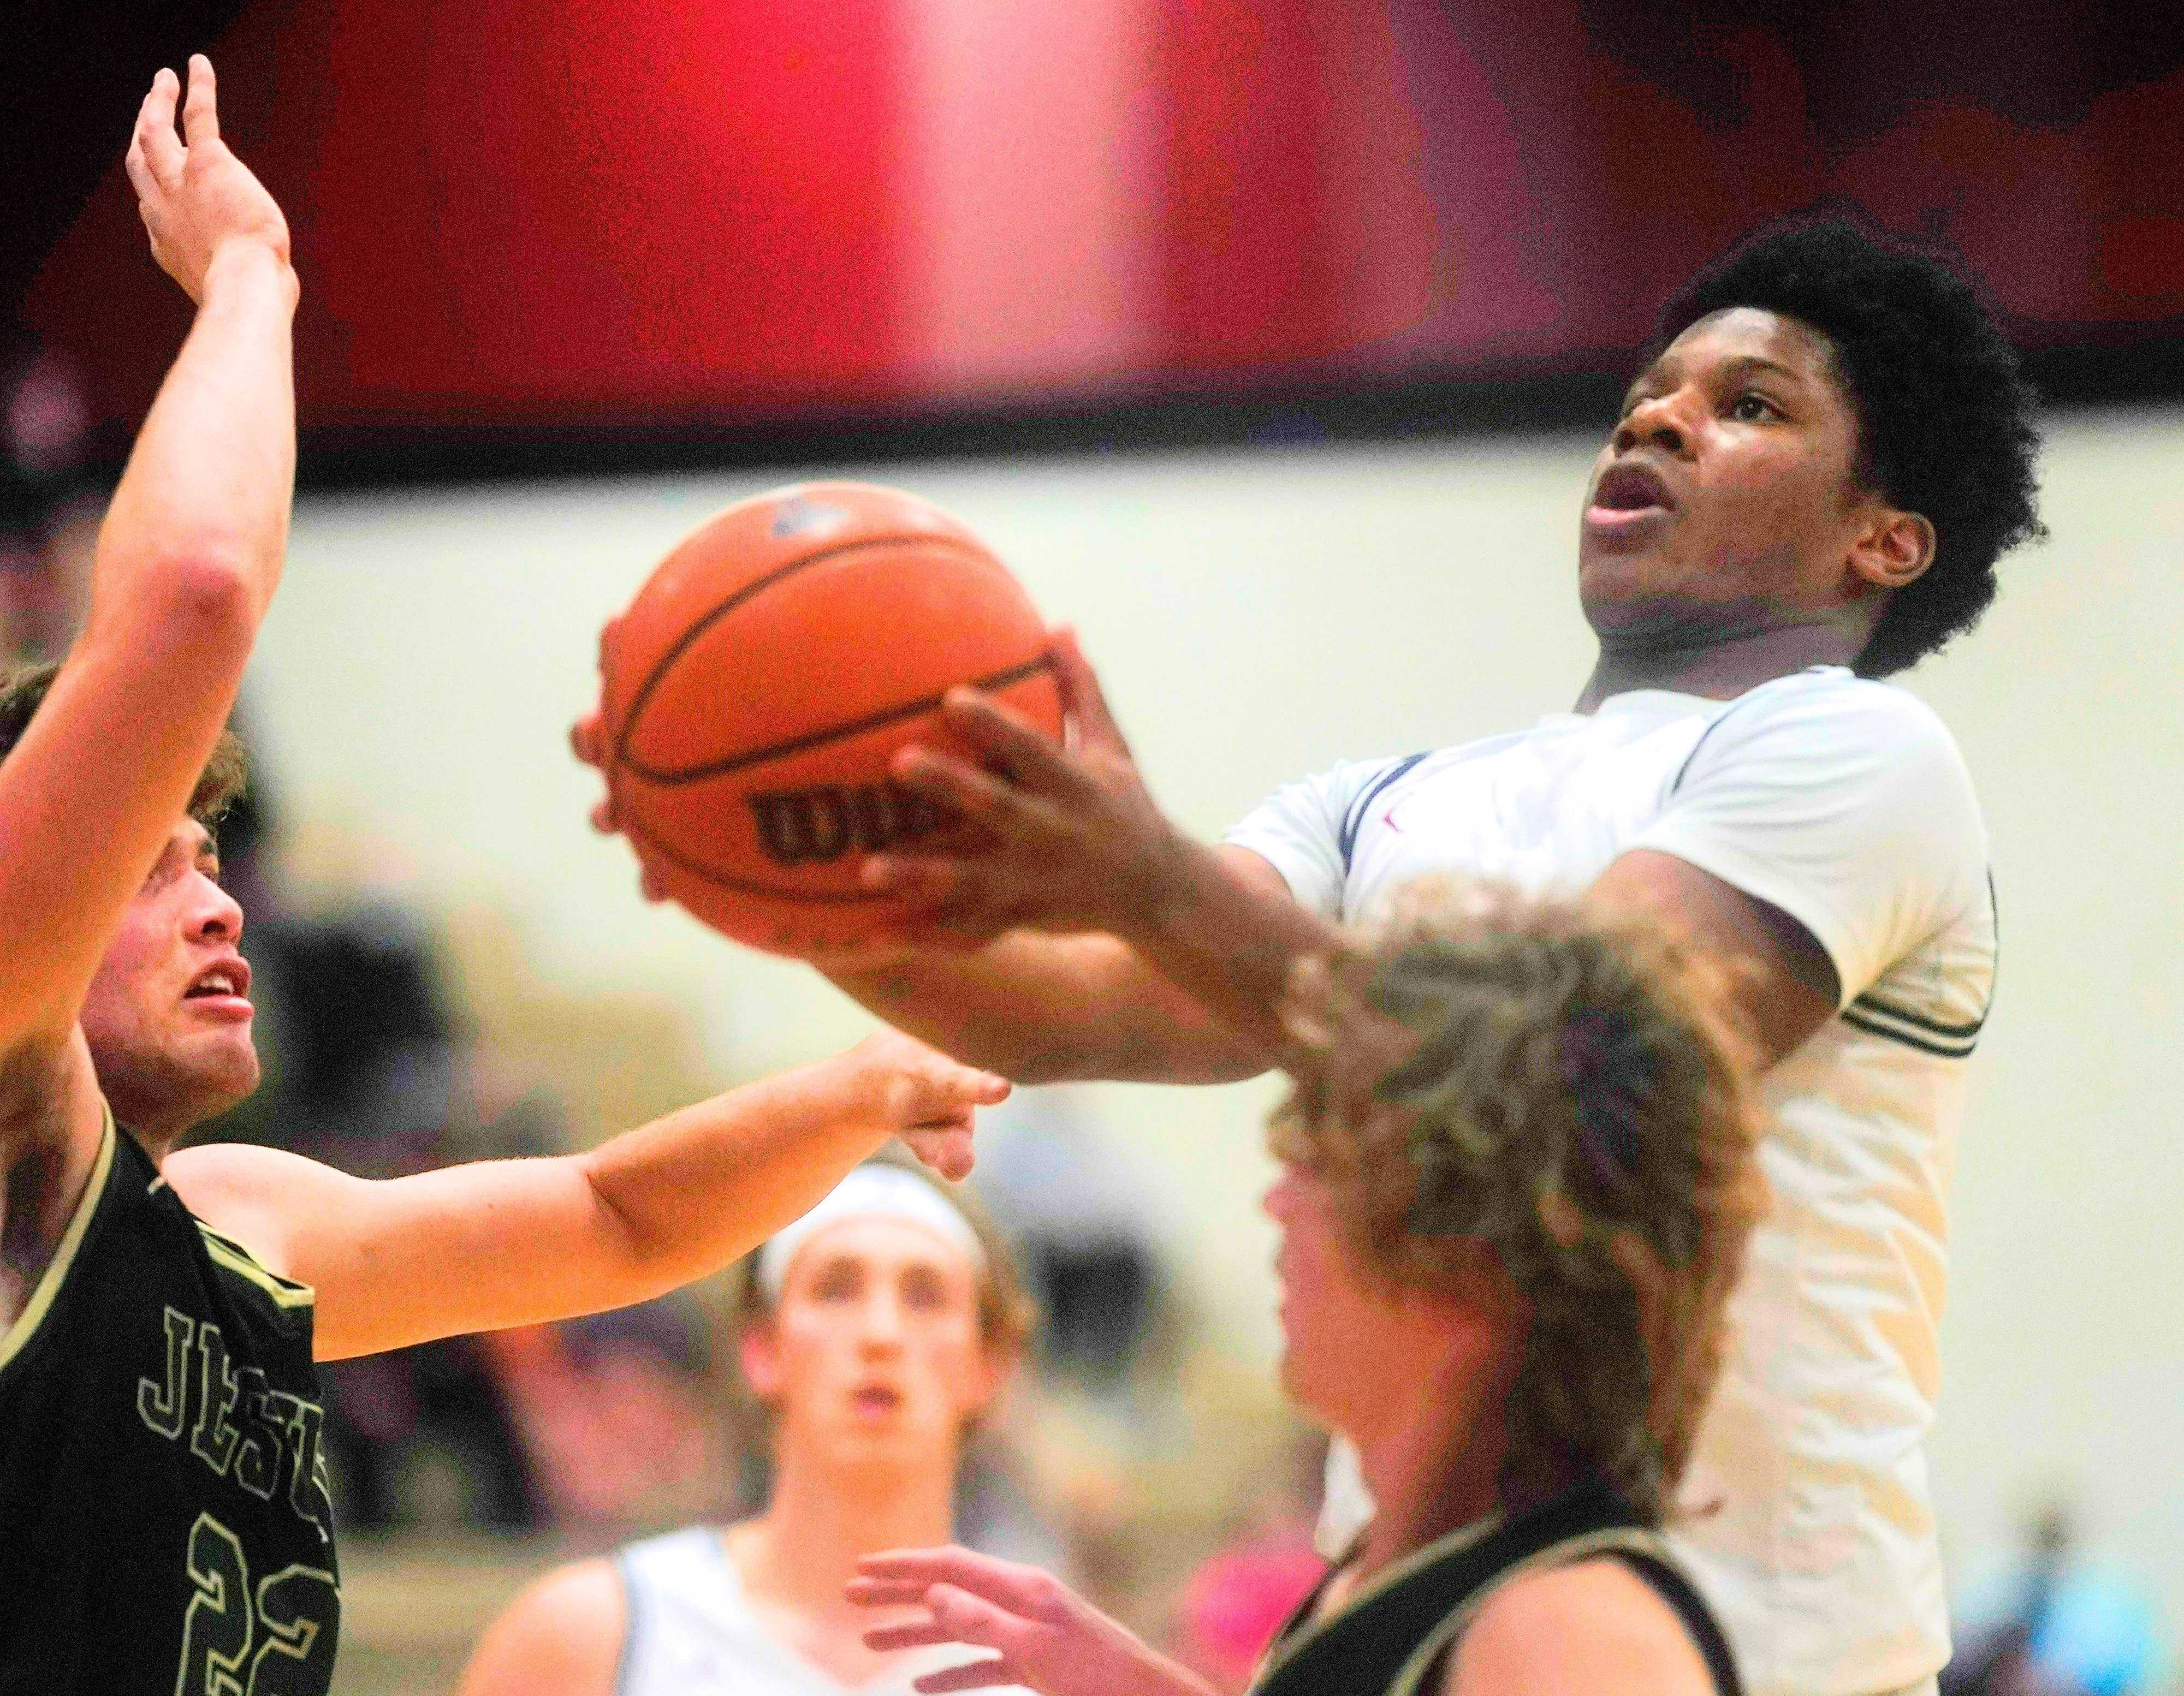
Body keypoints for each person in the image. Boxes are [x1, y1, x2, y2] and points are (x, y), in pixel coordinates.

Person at [582, 213, 2041, 1696]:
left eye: (1750, 406)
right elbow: (1074, 1003)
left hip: (1756, 1646)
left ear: (1887, 538)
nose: (1662, 414)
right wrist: (783, 879)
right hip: (1425, 1618)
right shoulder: (1384, 798)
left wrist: (1143, 870)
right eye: (1649, 395)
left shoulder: (1860, 754)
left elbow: (1568, 1082)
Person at [0, 60, 1008, 1696]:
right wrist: (252, 276)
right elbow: (189, 587)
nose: (220, 903)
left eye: (214, 860)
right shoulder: (8, 1118)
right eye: (147, 867)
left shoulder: (228, 1222)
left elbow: (615, 1221)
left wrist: (851, 1093)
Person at [846, 885, 1763, 1696]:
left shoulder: (1568, 1632)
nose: (1276, 1202)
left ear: (1463, 1245)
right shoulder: (1406, 1569)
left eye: (1323, 1163)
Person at [459, 1154, 1040, 1696]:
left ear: (989, 1365)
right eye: (835, 1289)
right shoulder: (588, 1634)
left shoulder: (1051, 1672)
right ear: (761, 1348)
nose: (880, 1333)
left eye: (925, 1296)